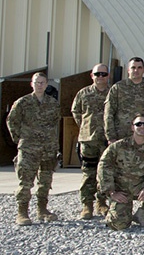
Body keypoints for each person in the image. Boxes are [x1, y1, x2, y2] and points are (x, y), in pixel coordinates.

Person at [96, 115, 144, 230]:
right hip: (120, 189)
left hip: (140, 187)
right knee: (119, 225)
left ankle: (142, 213)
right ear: (132, 127)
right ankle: (115, 211)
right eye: (138, 124)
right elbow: (103, 167)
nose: (142, 127)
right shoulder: (118, 146)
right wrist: (111, 192)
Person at [7, 72, 61, 225]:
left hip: (48, 148)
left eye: (42, 82)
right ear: (32, 84)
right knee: (26, 181)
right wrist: (20, 139)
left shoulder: (52, 103)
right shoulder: (22, 103)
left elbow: (55, 122)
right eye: (37, 82)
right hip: (29, 148)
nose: (39, 85)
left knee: (45, 180)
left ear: (46, 84)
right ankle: (22, 212)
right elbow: (12, 122)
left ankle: (42, 209)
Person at [71, 64, 111, 219]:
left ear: (108, 75)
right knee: (88, 173)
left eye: (103, 74)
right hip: (88, 141)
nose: (100, 77)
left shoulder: (112, 93)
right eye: (97, 74)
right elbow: (76, 112)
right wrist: (85, 128)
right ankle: (87, 205)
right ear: (92, 75)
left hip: (107, 140)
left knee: (104, 173)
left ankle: (101, 203)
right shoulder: (84, 93)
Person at [104, 57, 144, 144]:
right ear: (128, 70)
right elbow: (109, 113)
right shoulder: (118, 88)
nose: (136, 70)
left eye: (139, 67)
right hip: (122, 136)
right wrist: (110, 136)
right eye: (133, 67)